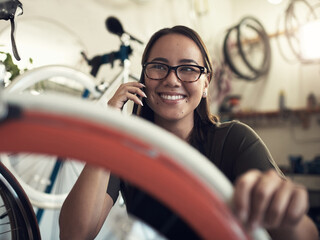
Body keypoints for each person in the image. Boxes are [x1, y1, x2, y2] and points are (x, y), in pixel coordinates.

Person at [59, 25, 319, 240]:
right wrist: (108, 130)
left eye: (188, 68)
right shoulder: (125, 149)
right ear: (144, 78)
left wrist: (287, 215)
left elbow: (305, 236)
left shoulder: (235, 140)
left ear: (206, 83)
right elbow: (74, 235)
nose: (172, 80)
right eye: (159, 66)